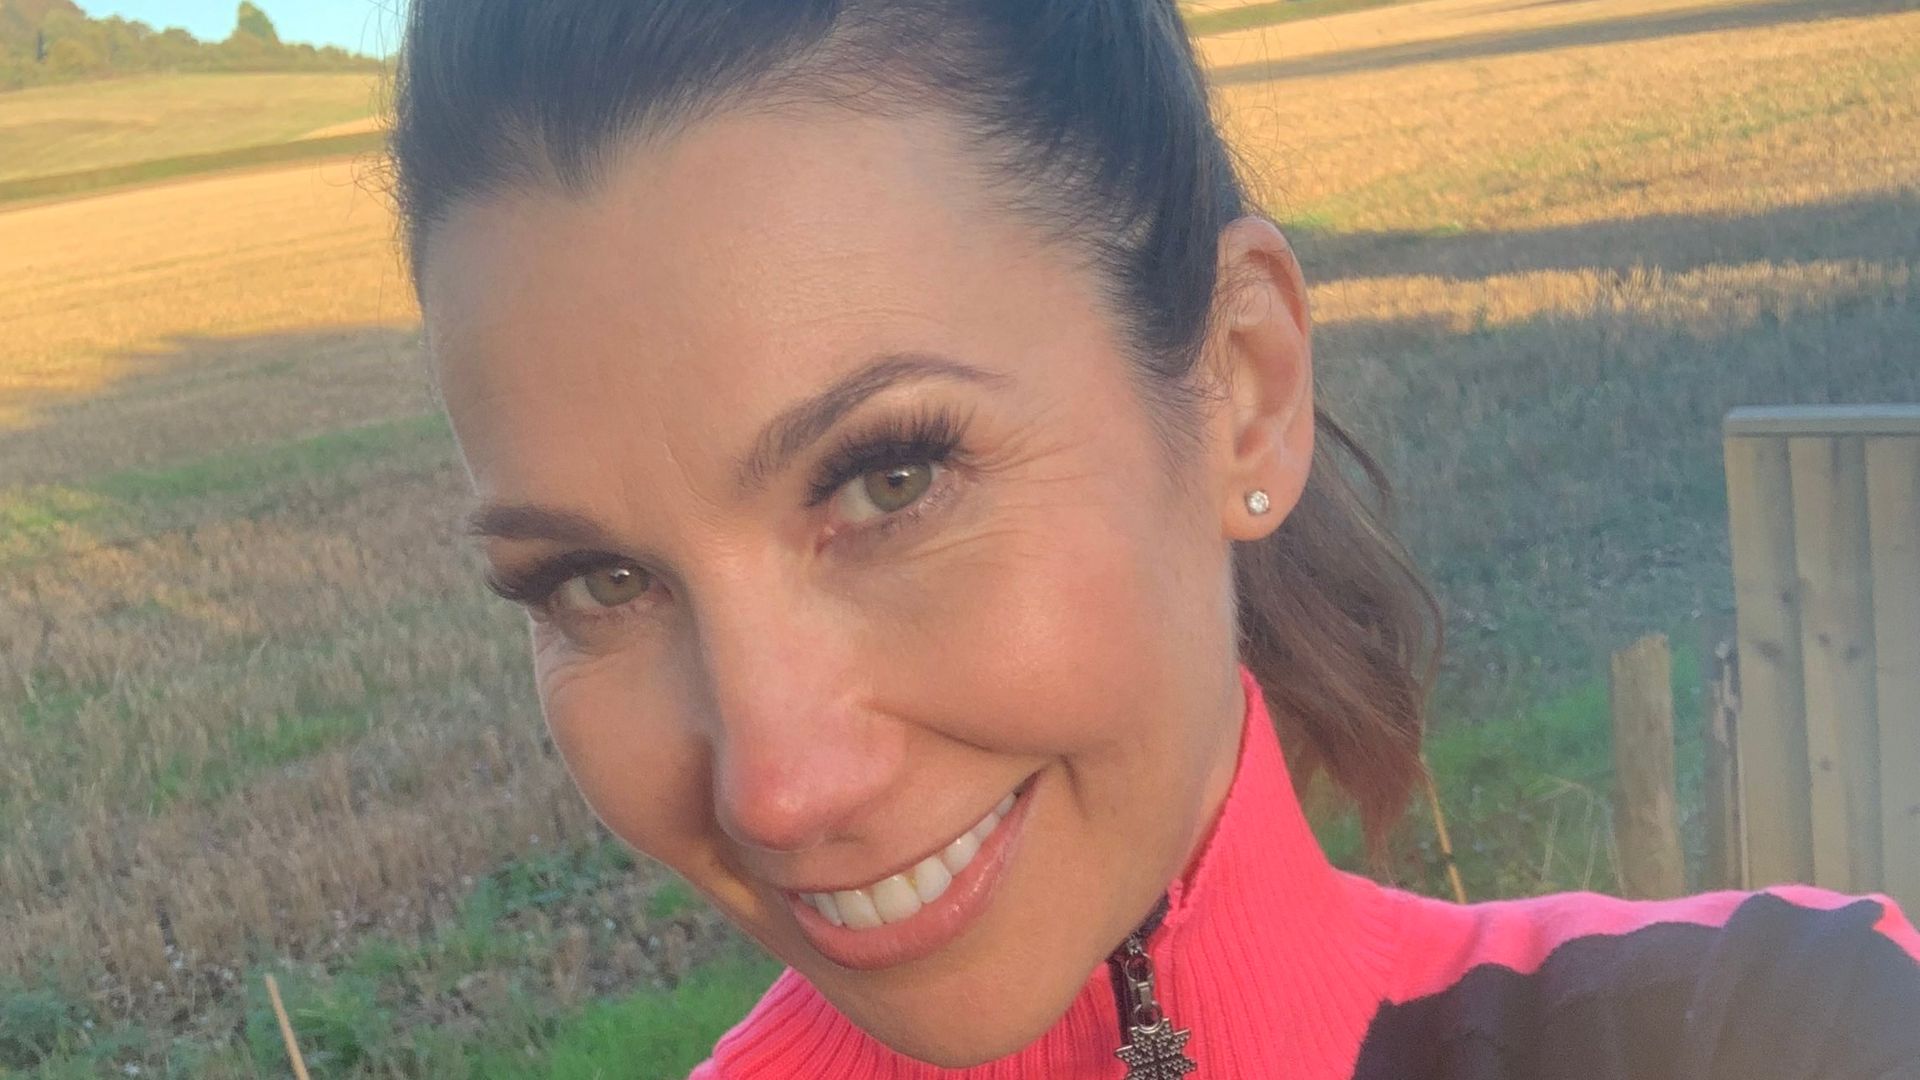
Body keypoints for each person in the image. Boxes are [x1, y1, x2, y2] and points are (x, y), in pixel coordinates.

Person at [387, 1, 1920, 1076]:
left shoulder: (1761, 1032)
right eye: (600, 583)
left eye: (891, 481)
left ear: (1243, 389)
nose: (777, 790)